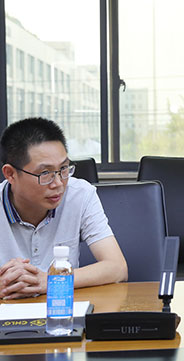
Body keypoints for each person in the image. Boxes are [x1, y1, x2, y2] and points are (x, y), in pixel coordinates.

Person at [0, 117, 127, 299]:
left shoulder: (80, 194)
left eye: (64, 168)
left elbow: (117, 267)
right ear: (10, 174)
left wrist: (51, 280)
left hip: (62, 309)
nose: (58, 183)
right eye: (45, 173)